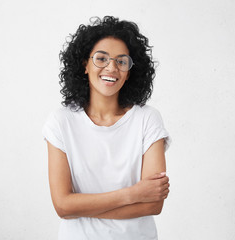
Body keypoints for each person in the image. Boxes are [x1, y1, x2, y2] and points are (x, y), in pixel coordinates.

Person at [42, 16, 171, 240]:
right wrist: (134, 194)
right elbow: (63, 206)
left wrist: (81, 207)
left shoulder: (147, 119)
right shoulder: (61, 122)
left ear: (130, 71)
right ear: (85, 64)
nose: (111, 68)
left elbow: (153, 204)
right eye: (101, 58)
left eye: (122, 61)